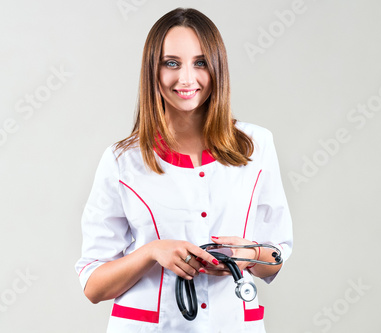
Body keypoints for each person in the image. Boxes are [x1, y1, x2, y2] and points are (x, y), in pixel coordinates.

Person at [75, 7, 293, 333]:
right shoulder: (122, 160)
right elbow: (93, 285)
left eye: (201, 62)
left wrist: (245, 255)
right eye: (171, 63)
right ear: (153, 71)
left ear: (217, 68)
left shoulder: (256, 146)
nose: (187, 79)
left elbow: (277, 255)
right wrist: (151, 252)